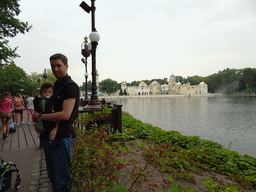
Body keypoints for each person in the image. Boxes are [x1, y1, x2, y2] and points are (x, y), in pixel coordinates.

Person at [33, 53, 79, 192]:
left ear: (66, 66)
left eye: (59, 65)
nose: (55, 69)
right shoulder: (57, 85)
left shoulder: (70, 87)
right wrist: (39, 124)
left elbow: (65, 115)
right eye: (53, 66)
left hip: (62, 138)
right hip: (49, 138)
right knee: (53, 177)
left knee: (62, 181)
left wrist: (40, 117)